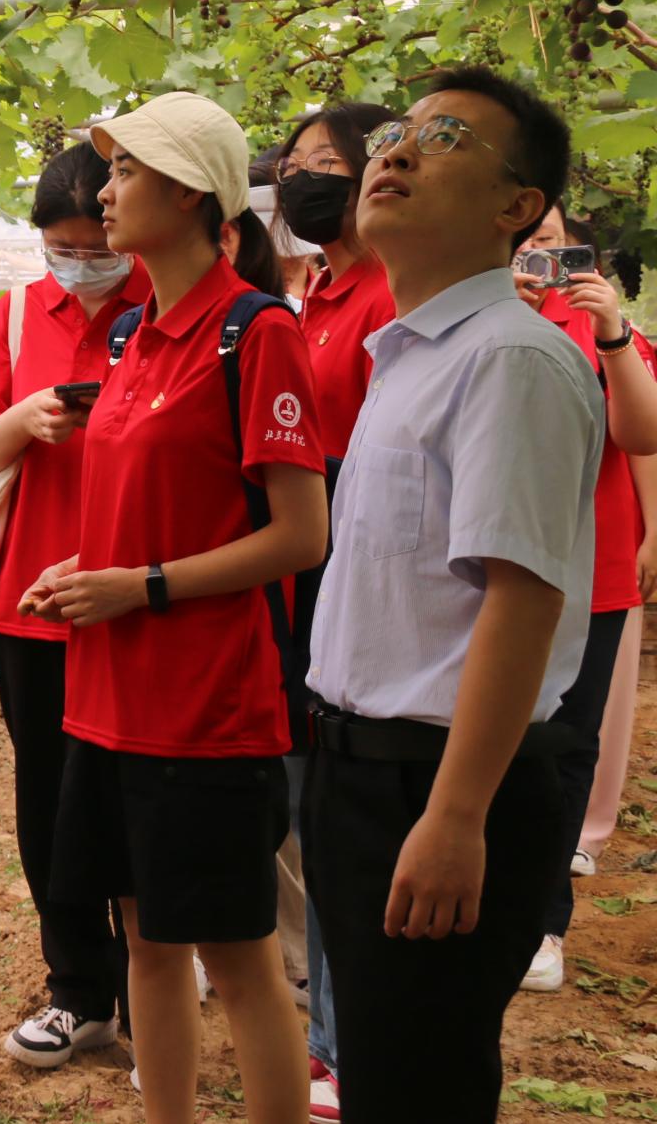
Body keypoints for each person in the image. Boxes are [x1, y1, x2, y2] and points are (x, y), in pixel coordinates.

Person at [21, 91, 329, 1124]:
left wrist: (139, 586)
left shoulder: (254, 332)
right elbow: (151, 509)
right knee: (145, 944)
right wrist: (82, 570)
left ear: (194, 193)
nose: (104, 193)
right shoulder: (128, 340)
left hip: (203, 708)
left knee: (237, 959)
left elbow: (300, 535)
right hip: (106, 699)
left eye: (126, 172)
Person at [303, 67, 603, 1122]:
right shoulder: (412, 354)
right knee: (388, 1071)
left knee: (416, 1085)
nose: (393, 151)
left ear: (516, 207)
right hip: (364, 773)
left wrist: (454, 815)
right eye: (394, 133)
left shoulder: (511, 359)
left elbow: (520, 600)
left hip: (434, 782)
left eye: (443, 140)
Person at [0, 141, 145, 1070]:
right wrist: (24, 420)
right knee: (51, 800)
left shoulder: (172, 303)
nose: (82, 262)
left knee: (140, 793)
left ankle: (154, 986)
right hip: (35, 604)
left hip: (143, 593)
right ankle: (78, 989)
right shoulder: (20, 314)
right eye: (63, 248)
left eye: (95, 245)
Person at [273, 99, 400, 1120]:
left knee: (344, 808)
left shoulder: (388, 292)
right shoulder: (310, 289)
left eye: (322, 162)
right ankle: (330, 1031)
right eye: (290, 164)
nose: (299, 180)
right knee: (309, 805)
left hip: (353, 564)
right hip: (303, 570)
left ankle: (348, 1045)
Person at [509, 207, 657, 993]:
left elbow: (644, 433)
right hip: (491, 565)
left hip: (588, 568)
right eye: (524, 241)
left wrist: (612, 333)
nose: (537, 254)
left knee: (566, 744)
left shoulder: (600, 324)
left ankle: (544, 921)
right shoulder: (472, 311)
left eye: (550, 240)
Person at [581, 449, 657, 864]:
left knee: (607, 690)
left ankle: (587, 831)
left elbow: (645, 444)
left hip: (609, 531)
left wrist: (654, 533)